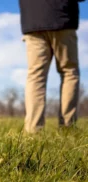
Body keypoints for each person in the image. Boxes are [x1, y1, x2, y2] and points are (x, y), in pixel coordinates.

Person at [19, 0, 85, 133]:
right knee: (69, 72)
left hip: (33, 18)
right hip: (62, 16)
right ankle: (68, 128)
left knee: (35, 75)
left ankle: (33, 130)